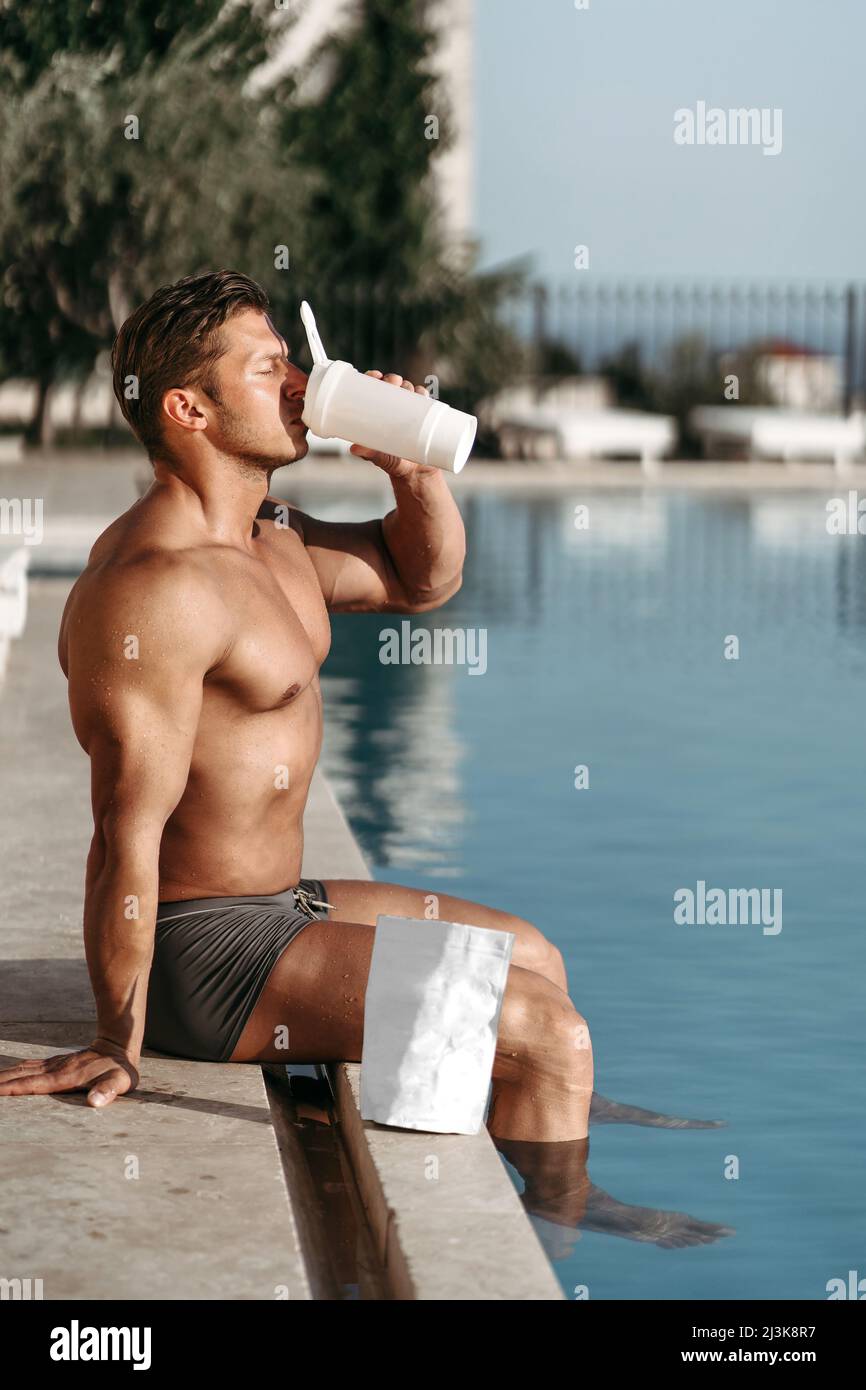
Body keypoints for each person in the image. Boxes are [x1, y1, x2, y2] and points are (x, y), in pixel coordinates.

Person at [0, 269, 592, 1144]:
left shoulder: (271, 535)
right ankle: (569, 1221)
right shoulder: (156, 590)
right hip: (203, 954)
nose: (301, 385)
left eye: (290, 361)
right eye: (266, 368)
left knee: (535, 958)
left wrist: (412, 472)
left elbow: (422, 580)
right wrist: (114, 1039)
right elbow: (125, 830)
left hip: (283, 904)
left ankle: (529, 1156)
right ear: (187, 409)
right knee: (550, 1034)